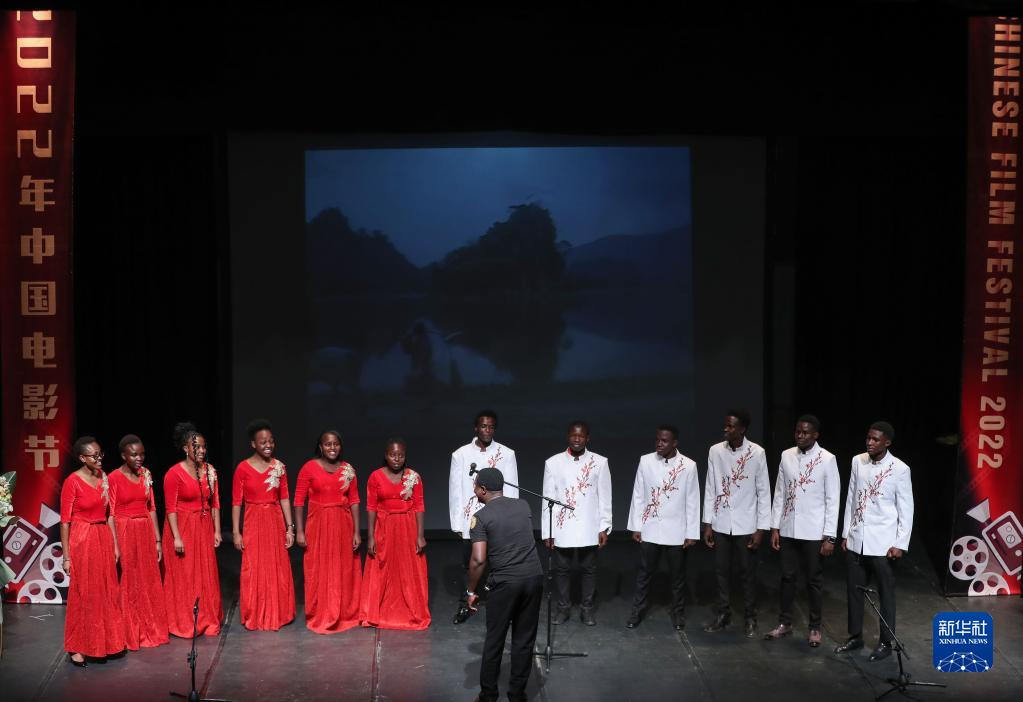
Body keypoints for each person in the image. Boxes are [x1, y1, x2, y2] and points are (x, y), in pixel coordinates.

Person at [835, 421, 914, 662]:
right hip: (857, 538)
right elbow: (851, 497)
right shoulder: (857, 461)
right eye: (868, 438)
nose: (869, 442)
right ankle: (855, 636)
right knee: (854, 590)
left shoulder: (900, 469)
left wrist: (900, 543)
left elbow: (906, 508)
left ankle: (885, 642)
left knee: (885, 594)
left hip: (883, 543)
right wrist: (846, 533)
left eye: (875, 439)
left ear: (887, 442)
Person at [466, 468, 544, 702]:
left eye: (475, 486)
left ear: (482, 489)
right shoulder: (523, 506)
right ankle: (517, 696)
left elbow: (479, 559)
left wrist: (471, 591)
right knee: (524, 640)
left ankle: (488, 696)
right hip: (533, 578)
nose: (474, 489)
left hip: (505, 583)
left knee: (495, 640)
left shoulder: (481, 517)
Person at [764, 415, 839, 647]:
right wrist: (775, 526)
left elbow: (832, 499)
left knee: (813, 580)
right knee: (787, 577)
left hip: (814, 531)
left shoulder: (827, 459)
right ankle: (784, 623)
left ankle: (815, 627)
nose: (800, 435)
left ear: (815, 435)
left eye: (805, 432)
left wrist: (830, 536)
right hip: (788, 528)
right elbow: (780, 492)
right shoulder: (786, 455)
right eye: (798, 431)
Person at [702, 409, 770, 637]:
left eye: (730, 426)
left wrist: (761, 528)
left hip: (746, 522)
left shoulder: (757, 453)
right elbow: (710, 487)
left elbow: (763, 491)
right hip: (721, 521)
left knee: (747, 573)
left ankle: (750, 617)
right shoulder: (715, 451)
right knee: (721, 571)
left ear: (742, 429)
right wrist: (708, 523)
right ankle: (723, 614)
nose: (726, 429)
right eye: (725, 425)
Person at [625, 425, 700, 630]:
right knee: (644, 574)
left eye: (664, 441)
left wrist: (692, 533)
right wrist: (636, 526)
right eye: (657, 439)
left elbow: (692, 500)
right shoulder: (646, 461)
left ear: (675, 443)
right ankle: (637, 612)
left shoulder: (688, 465)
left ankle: (678, 614)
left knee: (677, 577)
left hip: (677, 530)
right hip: (650, 527)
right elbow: (638, 494)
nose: (659, 443)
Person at [60, 437, 126, 666]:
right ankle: (78, 647)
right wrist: (66, 557)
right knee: (84, 593)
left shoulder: (103, 477)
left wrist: (114, 543)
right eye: (94, 456)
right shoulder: (72, 482)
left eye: (100, 454)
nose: (99, 459)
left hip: (102, 537)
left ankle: (107, 642)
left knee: (106, 590)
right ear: (82, 458)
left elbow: (110, 514)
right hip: (82, 539)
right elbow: (65, 522)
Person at [449, 409, 519, 624]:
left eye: (491, 427)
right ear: (476, 428)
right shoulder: (460, 454)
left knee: (500, 564)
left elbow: (512, 489)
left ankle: (502, 607)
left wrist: (511, 519)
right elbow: (455, 490)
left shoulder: (507, 454)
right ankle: (465, 604)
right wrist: (457, 522)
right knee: (468, 564)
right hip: (471, 517)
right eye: (483, 426)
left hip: (499, 519)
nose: (487, 430)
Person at [541, 421, 612, 626]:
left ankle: (587, 608)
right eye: (574, 435)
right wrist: (548, 531)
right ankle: (563, 608)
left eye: (581, 436)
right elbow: (548, 499)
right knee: (562, 569)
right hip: (563, 526)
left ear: (588, 438)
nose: (577, 439)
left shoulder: (600, 462)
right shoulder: (553, 463)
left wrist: (604, 527)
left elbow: (605, 497)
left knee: (589, 569)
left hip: (589, 524)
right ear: (568, 436)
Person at [294, 430, 362, 634]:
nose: (332, 448)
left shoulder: (348, 469)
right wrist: (299, 531)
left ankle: (344, 612)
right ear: (320, 447)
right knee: (319, 567)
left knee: (343, 567)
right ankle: (321, 612)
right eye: (328, 444)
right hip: (318, 524)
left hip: (343, 523)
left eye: (336, 444)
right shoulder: (309, 468)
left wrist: (356, 531)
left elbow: (354, 500)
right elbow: (299, 501)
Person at [231, 419, 296, 631]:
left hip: (275, 520)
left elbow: (284, 498)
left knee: (277, 565)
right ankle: (256, 612)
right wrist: (236, 532)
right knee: (254, 566)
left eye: (271, 441)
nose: (268, 445)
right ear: (253, 444)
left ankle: (278, 612)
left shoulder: (279, 467)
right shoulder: (242, 468)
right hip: (253, 521)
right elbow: (236, 502)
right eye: (263, 442)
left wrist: (290, 528)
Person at [360, 438, 430, 630]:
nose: (397, 459)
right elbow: (371, 507)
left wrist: (420, 535)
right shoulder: (375, 476)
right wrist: (371, 536)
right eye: (393, 455)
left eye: (400, 455)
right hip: (384, 526)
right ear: (386, 455)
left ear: (405, 457)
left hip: (407, 527)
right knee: (383, 567)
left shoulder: (413, 476)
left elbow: (419, 506)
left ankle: (410, 611)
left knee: (408, 568)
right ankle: (379, 612)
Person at [163, 422, 224, 637]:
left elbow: (215, 502)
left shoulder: (210, 471)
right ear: (186, 448)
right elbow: (170, 508)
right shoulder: (174, 474)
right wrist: (177, 537)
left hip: (204, 526)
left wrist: (217, 530)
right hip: (183, 527)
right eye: (196, 447)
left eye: (203, 447)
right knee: (186, 574)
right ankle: (184, 620)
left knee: (205, 572)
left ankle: (206, 617)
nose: (201, 450)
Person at [108, 434, 169, 649]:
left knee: (147, 579)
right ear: (124, 455)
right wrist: (115, 544)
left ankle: (149, 628)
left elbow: (152, 507)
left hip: (144, 531)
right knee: (128, 581)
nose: (139, 458)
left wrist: (157, 540)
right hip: (125, 531)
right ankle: (129, 632)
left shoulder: (146, 474)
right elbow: (110, 514)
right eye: (134, 454)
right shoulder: (113, 478)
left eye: (142, 454)